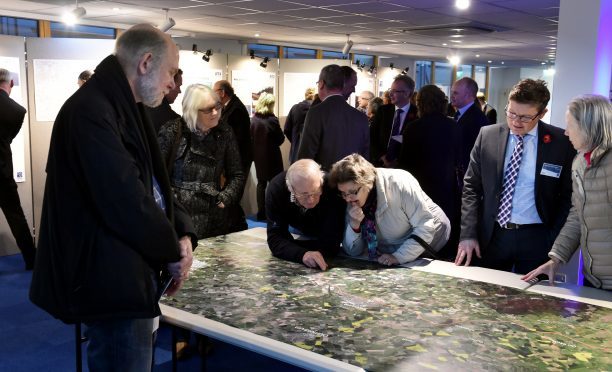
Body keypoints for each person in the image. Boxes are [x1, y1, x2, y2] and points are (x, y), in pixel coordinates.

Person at [29, 24, 196, 371]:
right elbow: (124, 200)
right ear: (146, 62)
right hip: (110, 277)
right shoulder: (92, 110)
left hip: (126, 270)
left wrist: (182, 232)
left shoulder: (122, 105)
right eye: (171, 72)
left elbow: (153, 183)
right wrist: (170, 252)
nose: (172, 83)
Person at [455, 79, 576, 274]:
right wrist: (468, 234)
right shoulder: (488, 136)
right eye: (511, 113)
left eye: (525, 117)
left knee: (531, 302)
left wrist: (552, 239)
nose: (516, 122)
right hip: (492, 235)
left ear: (542, 113)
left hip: (537, 238)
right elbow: (471, 188)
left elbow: (568, 197)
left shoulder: (561, 143)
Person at [523, 94, 612, 290]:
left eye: (570, 125)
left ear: (588, 126)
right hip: (595, 278)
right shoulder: (580, 161)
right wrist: (556, 258)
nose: (565, 133)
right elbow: (576, 216)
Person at [158, 84, 247, 239]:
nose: (215, 113)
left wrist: (225, 198)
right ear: (192, 111)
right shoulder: (172, 131)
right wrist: (171, 202)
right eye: (208, 110)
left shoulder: (224, 132)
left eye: (217, 107)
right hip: (179, 218)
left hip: (214, 218)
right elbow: (156, 175)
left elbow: (237, 174)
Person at [329, 154, 450, 266]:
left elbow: (425, 225)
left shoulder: (399, 183)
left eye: (352, 192)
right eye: (343, 194)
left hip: (433, 240)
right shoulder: (352, 199)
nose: (348, 199)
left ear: (367, 183)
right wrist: (354, 227)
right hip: (391, 249)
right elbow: (353, 252)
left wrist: (398, 257)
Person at [399, 84, 461, 259]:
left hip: (420, 187)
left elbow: (404, 165)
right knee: (444, 229)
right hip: (445, 186)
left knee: (421, 227)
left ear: (420, 104)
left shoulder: (413, 128)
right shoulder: (453, 126)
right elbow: (459, 158)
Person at [266, 159, 345, 270]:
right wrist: (302, 254)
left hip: (322, 228)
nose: (311, 200)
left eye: (316, 192)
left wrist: (290, 246)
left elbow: (331, 243)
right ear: (291, 189)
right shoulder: (277, 189)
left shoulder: (330, 187)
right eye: (304, 195)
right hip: (299, 227)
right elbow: (275, 238)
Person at [297, 64, 369, 170]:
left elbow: (306, 156)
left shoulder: (316, 112)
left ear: (321, 84)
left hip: (324, 181)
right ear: (342, 85)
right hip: (353, 182)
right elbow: (365, 157)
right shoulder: (361, 117)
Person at [0, 68, 36, 270]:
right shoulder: (17, 111)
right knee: (16, 216)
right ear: (11, 84)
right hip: (3, 171)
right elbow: (9, 138)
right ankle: (32, 260)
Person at [370, 74, 418, 168]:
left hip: (404, 168)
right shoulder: (383, 111)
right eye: (390, 90)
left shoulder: (417, 114)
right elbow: (372, 137)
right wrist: (382, 157)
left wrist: (398, 162)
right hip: (379, 165)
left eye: (395, 91)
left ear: (407, 93)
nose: (390, 94)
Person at [251, 92, 284, 221]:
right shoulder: (272, 120)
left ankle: (261, 212)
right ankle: (273, 212)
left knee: (261, 184)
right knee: (274, 184)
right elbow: (280, 139)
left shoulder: (254, 120)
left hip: (259, 157)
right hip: (273, 157)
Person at [450, 77, 490, 179]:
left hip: (467, 176)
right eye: (452, 92)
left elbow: (480, 152)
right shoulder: (458, 114)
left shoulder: (478, 119)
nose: (452, 96)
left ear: (468, 95)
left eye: (456, 93)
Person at [213, 79, 253, 175]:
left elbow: (237, 139)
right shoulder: (229, 106)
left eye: (214, 92)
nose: (212, 96)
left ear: (222, 93)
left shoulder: (236, 109)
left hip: (238, 160)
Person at [284, 87, 315, 164]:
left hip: (296, 154)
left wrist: (295, 141)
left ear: (305, 95)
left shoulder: (295, 108)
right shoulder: (318, 109)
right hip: (313, 156)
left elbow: (286, 129)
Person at [146, 68, 183, 132]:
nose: (179, 91)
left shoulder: (142, 106)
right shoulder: (172, 120)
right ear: (169, 85)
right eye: (178, 86)